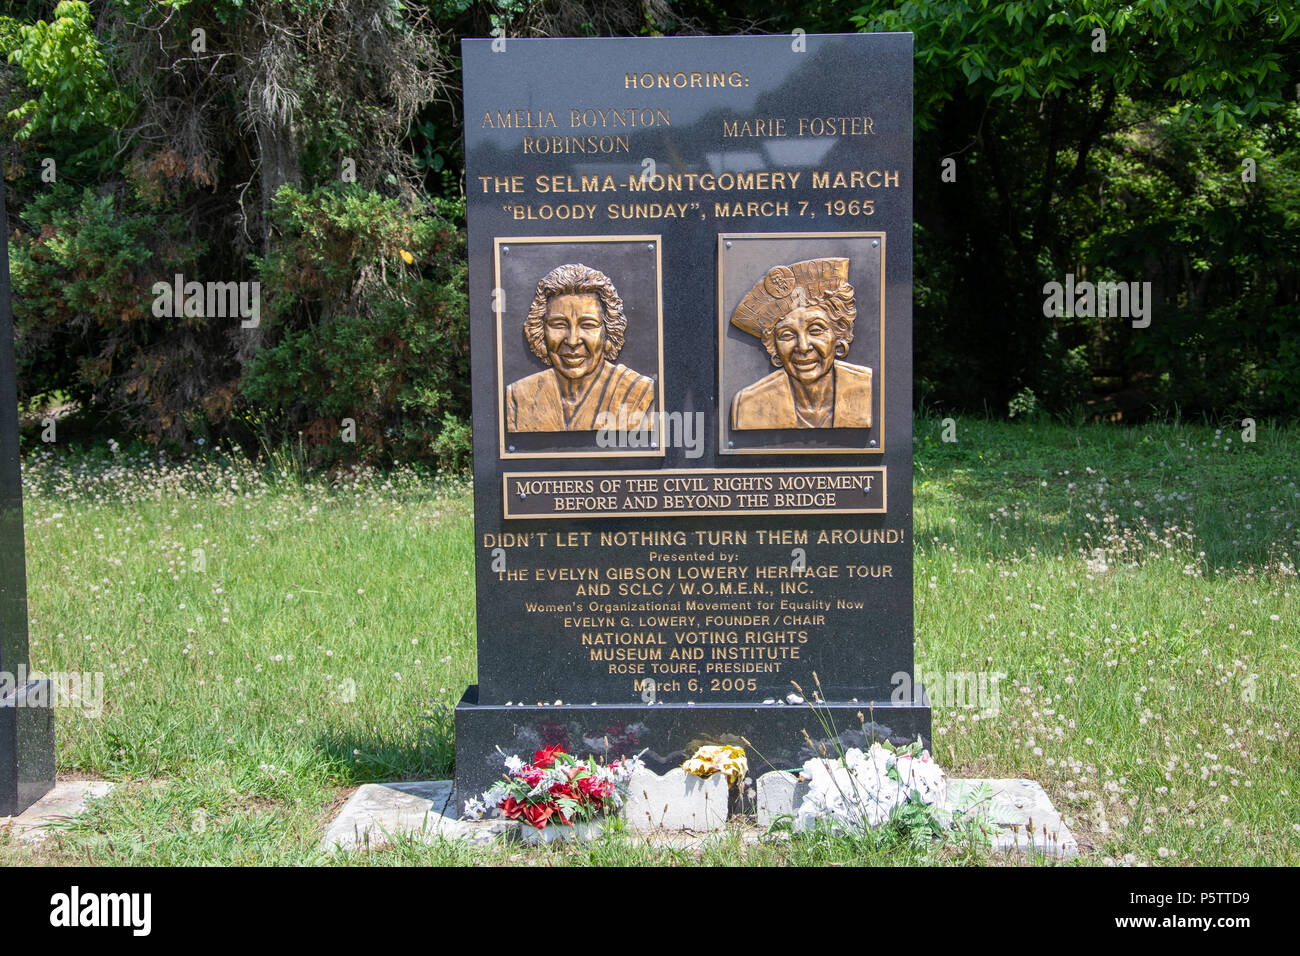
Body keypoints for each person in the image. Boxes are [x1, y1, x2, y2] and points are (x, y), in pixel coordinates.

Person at [505, 263, 656, 433]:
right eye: (559, 325)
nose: (572, 340)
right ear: (540, 331)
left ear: (608, 331)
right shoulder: (519, 396)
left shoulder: (640, 394)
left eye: (588, 325)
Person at [730, 258, 872, 430]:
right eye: (787, 335)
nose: (803, 347)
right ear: (774, 350)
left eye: (816, 330)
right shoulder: (750, 405)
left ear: (839, 339)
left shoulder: (864, 388)